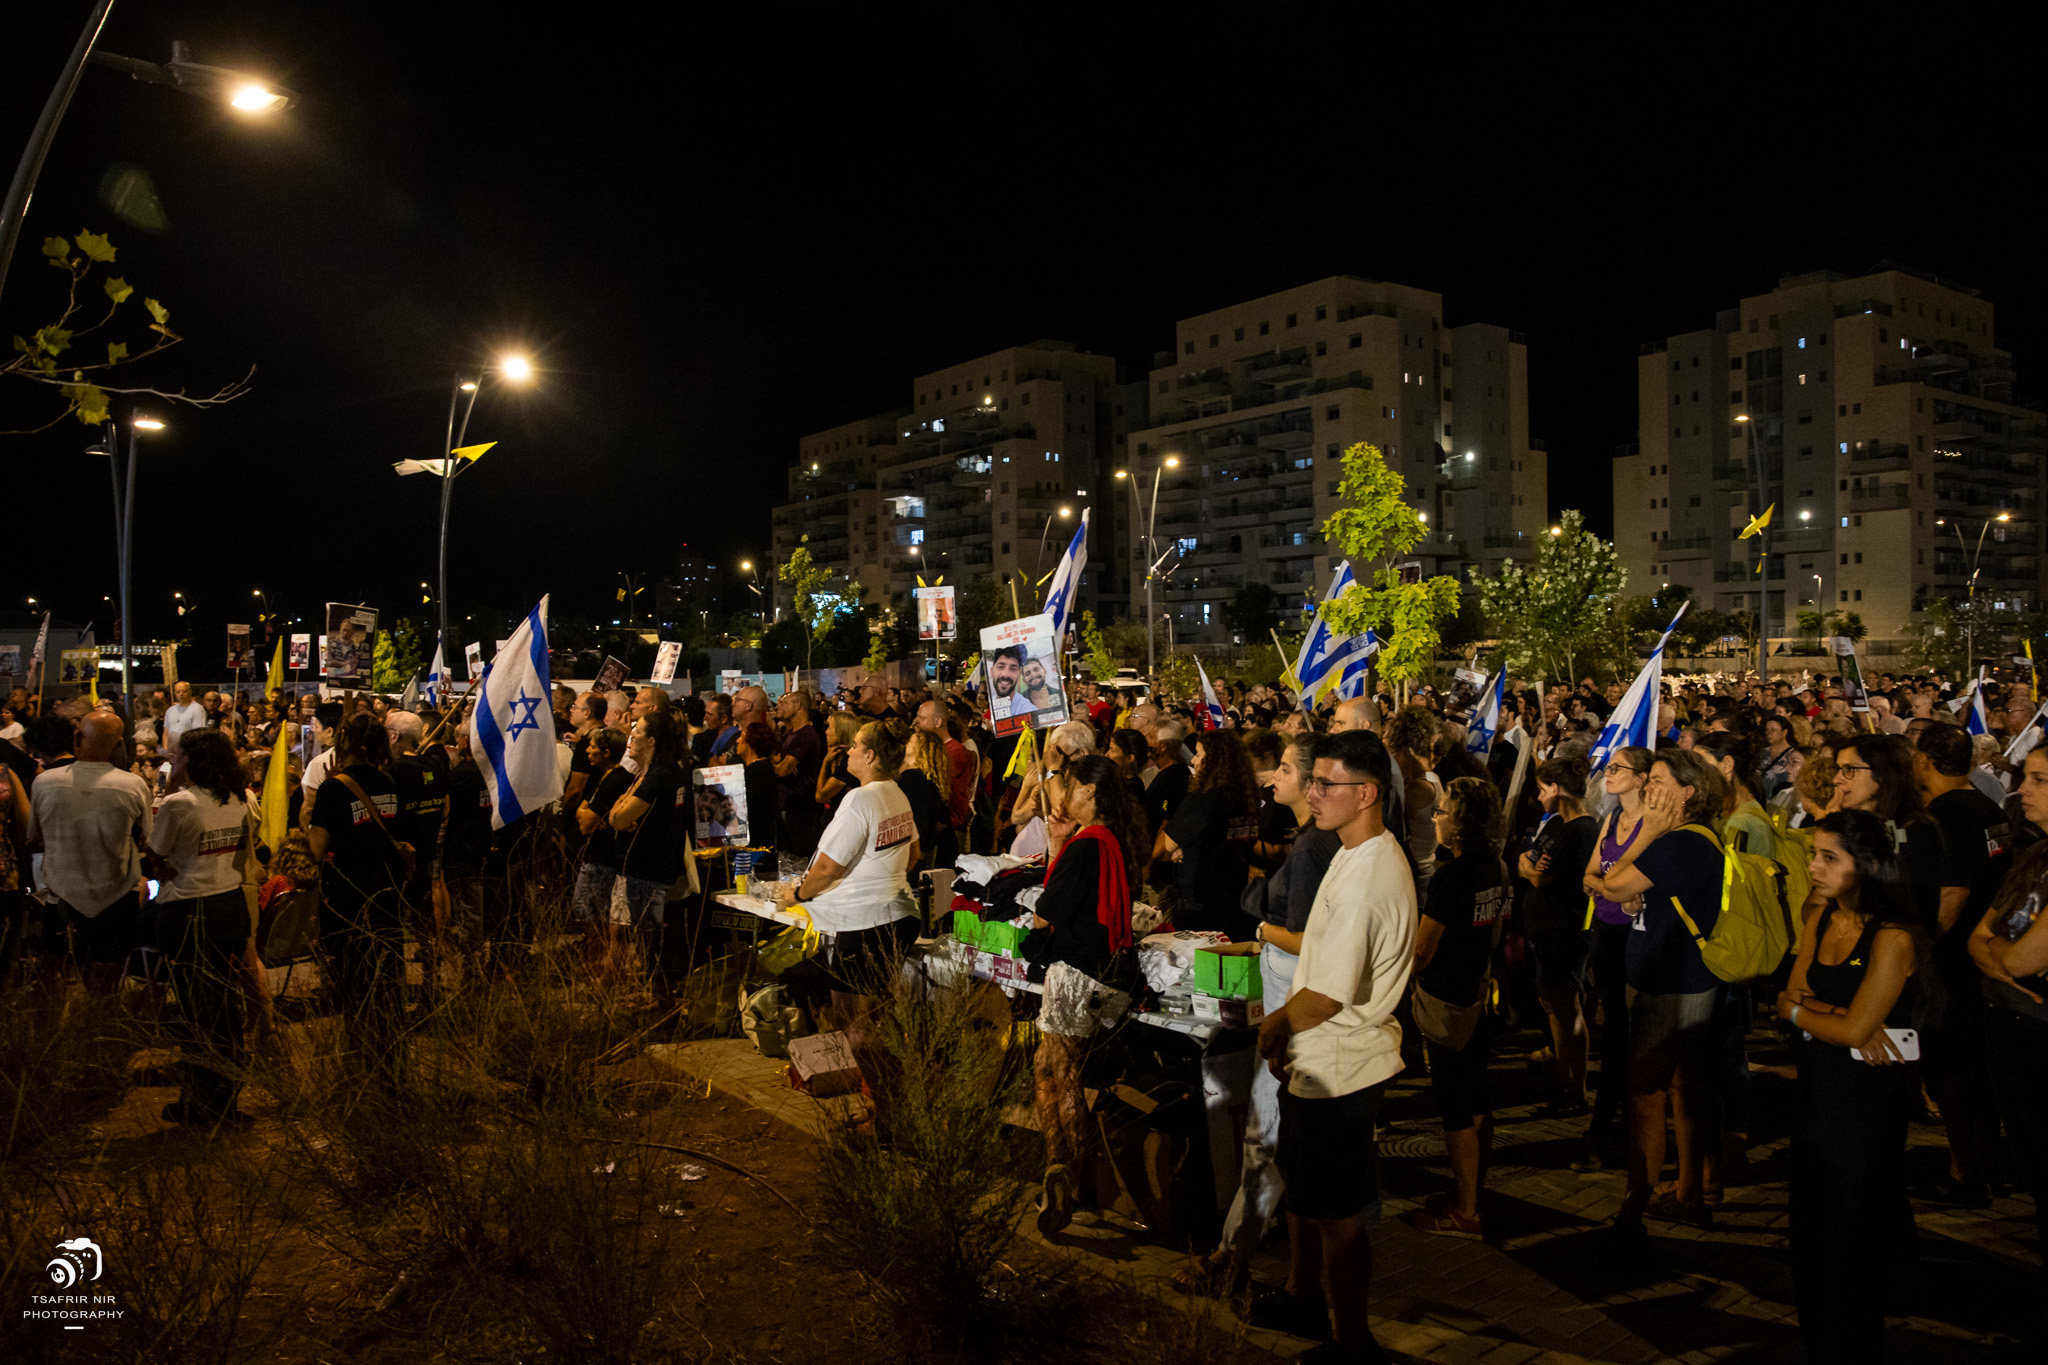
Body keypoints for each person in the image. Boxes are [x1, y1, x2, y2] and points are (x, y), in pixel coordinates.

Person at [1251, 731, 1415, 1360]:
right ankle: (1301, 1296)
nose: (1313, 794)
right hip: (1316, 1060)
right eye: (1312, 780)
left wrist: (1274, 1026)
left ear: (1366, 793)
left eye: (1326, 783)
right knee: (1308, 1193)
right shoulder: (1349, 849)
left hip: (1342, 1067)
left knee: (1339, 1216)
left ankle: (1351, 1338)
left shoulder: (1372, 874)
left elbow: (1329, 993)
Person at [1175, 736, 1339, 1294]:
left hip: (1293, 1010)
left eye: (1287, 770)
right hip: (1285, 1003)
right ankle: (1294, 1271)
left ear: (1315, 783)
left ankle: (1233, 1256)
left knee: (1264, 1137)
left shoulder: (1315, 850)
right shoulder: (1310, 844)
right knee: (1281, 1140)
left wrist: (1261, 929)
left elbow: (1309, 940)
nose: (1272, 778)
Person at [1776, 809, 1933, 1363]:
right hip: (1818, 1088)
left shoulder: (1892, 937)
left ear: (1865, 865)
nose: (1813, 868)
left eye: (1828, 858)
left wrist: (1815, 1015)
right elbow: (1785, 994)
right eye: (1814, 854)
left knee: (1853, 1235)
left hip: (1868, 1102)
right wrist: (1830, 1016)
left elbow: (1854, 1030)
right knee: (1810, 1229)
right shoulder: (1819, 917)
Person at [1584, 747, 1726, 1235]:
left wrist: (1644, 831)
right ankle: (1691, 1191)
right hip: (1685, 978)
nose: (1649, 789)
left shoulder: (1679, 842)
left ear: (1688, 792)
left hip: (1669, 982)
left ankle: (1633, 1208)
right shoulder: (1692, 840)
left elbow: (1615, 883)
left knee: (1645, 1093)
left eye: (1660, 781)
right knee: (1686, 1087)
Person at [1022, 753, 1143, 1234]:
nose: (1063, 794)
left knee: (1064, 1075)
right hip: (1109, 973)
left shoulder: (1084, 846)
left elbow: (1047, 911)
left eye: (1068, 786)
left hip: (1075, 975)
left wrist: (1058, 849)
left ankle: (1073, 1180)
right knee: (1047, 1067)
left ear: (1089, 792)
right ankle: (1059, 1165)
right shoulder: (1116, 839)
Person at [772, 720, 919, 1109]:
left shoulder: (860, 799)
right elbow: (913, 855)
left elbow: (827, 868)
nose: (848, 751)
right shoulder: (896, 794)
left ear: (870, 756)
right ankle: (890, 1106)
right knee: (874, 1021)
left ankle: (892, 1112)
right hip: (896, 916)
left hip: (868, 922)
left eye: (855, 746)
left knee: (856, 1027)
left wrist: (795, 894)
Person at [1914, 721, 2011, 1207]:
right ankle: (1989, 1163)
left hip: (1953, 960)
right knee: (1977, 1067)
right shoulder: (1989, 807)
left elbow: (1952, 892)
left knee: (1951, 1068)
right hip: (1983, 949)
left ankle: (1963, 1171)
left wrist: (1921, 950)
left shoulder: (1945, 813)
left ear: (1924, 760)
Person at [1408, 777, 1510, 1239]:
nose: (1435, 817)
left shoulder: (1453, 875)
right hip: (1480, 991)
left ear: (1463, 821)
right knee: (1477, 1099)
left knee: (1454, 1106)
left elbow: (1425, 949)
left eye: (1443, 811)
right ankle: (1474, 1192)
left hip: (1448, 999)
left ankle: (1465, 1209)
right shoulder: (1497, 867)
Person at [145, 729, 255, 1125]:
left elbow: (155, 854)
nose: (171, 761)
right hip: (228, 905)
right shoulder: (240, 798)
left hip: (189, 911)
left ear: (190, 760)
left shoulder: (179, 803)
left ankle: (202, 1102)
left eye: (177, 756)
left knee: (195, 1011)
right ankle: (223, 1095)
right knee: (222, 1006)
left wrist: (169, 789)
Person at [1969, 743, 2048, 1271]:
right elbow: (1979, 939)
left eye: (2040, 780)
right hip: (2010, 1028)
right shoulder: (2036, 854)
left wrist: (1999, 959)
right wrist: (2000, 960)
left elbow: (2017, 957)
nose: (2022, 790)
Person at [307, 713, 409, 1082]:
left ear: (345, 741)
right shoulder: (387, 779)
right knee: (385, 980)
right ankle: (389, 1058)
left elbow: (317, 849)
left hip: (347, 898)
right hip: (385, 891)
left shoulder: (334, 789)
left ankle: (359, 1061)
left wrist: (309, 819)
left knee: (352, 983)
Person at [28, 710, 152, 997]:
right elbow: (149, 841)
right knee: (107, 979)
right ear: (119, 744)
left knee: (54, 968)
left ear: (77, 737)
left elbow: (34, 837)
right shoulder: (134, 785)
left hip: (62, 893)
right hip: (117, 895)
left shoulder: (44, 782)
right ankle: (101, 1031)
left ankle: (59, 1035)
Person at [1520, 753, 1601, 1118]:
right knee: (1553, 1005)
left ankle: (1575, 1086)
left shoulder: (1583, 831)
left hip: (1565, 932)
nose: (1538, 797)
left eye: (1541, 789)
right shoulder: (1554, 823)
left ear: (1556, 788)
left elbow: (1542, 875)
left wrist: (1532, 871)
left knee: (1568, 1008)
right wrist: (1530, 868)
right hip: (1544, 929)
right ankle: (1563, 1075)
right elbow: (1526, 860)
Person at [606, 710, 690, 982]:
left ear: (652, 740)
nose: (631, 736)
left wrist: (620, 805)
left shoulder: (659, 775)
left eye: (638, 731)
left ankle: (658, 995)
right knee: (640, 934)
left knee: (651, 937)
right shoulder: (653, 772)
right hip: (643, 868)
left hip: (649, 870)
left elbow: (618, 819)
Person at [1157, 728, 1260, 938]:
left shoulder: (1204, 799)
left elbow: (1163, 847)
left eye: (1199, 754)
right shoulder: (1247, 796)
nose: (1194, 761)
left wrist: (1175, 848)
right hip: (1237, 901)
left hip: (1199, 905)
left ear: (1214, 761)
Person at [773, 689, 824, 857]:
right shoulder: (789, 734)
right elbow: (778, 761)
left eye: (785, 703)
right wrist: (779, 764)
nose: (781, 707)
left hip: (801, 805)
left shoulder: (806, 735)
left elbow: (783, 769)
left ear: (797, 705)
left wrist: (781, 765)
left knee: (799, 854)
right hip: (788, 803)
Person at [899, 726, 955, 871]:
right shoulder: (928, 781)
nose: (905, 745)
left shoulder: (914, 779)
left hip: (910, 857)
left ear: (920, 749)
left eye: (910, 742)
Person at [814, 711, 861, 825]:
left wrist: (825, 762)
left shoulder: (848, 764)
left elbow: (820, 796)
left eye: (830, 727)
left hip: (843, 823)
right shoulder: (838, 759)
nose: (826, 732)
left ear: (841, 731)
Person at [162, 680, 207, 753]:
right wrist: (166, 750)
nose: (181, 694)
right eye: (178, 692)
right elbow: (166, 733)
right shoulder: (170, 710)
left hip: (188, 751)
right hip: (172, 752)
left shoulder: (197, 709)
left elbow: (198, 734)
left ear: (190, 692)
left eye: (184, 691)